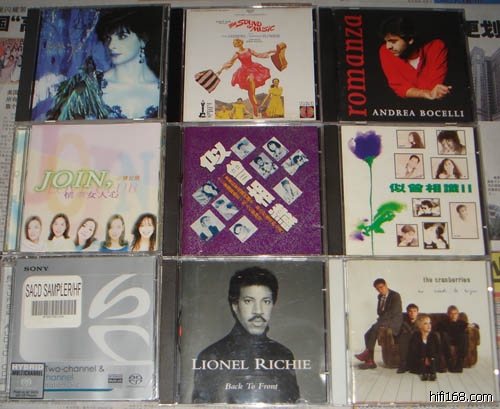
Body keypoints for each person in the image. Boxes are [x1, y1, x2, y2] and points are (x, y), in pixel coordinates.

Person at [192, 267, 300, 403]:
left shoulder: (283, 355)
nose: (258, 311)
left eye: (266, 301)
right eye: (249, 301)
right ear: (235, 305)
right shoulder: (210, 357)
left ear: (273, 304)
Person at [46, 7, 161, 120]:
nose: (111, 45)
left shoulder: (163, 89)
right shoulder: (87, 89)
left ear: (142, 40)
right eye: (107, 38)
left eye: (122, 36)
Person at [379, 16, 451, 100]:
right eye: (386, 41)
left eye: (393, 41)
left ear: (410, 40)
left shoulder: (436, 47)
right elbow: (399, 87)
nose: (388, 46)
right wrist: (426, 93)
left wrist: (430, 92)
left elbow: (435, 87)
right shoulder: (385, 51)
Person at [218, 38, 274, 117]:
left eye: (239, 42)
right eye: (236, 44)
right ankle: (254, 105)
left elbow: (259, 55)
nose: (238, 44)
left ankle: (254, 102)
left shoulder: (249, 50)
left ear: (241, 42)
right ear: (235, 45)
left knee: (251, 81)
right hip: (244, 71)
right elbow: (230, 63)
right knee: (250, 87)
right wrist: (221, 69)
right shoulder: (237, 54)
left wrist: (271, 51)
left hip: (253, 68)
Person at [355, 278, 403, 369]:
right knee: (367, 334)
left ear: (386, 285)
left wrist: (380, 321)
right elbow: (379, 312)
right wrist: (381, 308)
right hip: (384, 320)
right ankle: (370, 361)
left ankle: (368, 356)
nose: (380, 290)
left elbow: (393, 312)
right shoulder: (380, 297)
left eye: (381, 287)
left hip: (394, 322)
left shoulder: (395, 295)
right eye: (377, 289)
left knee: (374, 328)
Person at [435, 305, 471, 373]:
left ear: (458, 314)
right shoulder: (443, 323)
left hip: (458, 341)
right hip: (447, 341)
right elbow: (435, 330)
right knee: (444, 335)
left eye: (455, 313)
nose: (453, 316)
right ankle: (450, 363)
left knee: (464, 336)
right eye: (451, 313)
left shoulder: (461, 323)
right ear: (448, 314)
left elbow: (476, 326)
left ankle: (459, 363)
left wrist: (472, 325)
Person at [407, 314, 441, 381]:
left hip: (432, 360)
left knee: (432, 348)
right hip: (419, 360)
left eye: (430, 323)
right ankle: (424, 372)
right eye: (425, 323)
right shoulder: (415, 335)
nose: (429, 325)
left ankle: (432, 372)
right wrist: (424, 358)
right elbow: (413, 350)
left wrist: (430, 358)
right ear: (420, 326)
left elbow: (438, 350)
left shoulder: (434, 335)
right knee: (422, 347)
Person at [396, 303, 419, 373]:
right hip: (406, 339)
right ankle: (403, 364)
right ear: (407, 312)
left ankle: (414, 364)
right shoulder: (403, 322)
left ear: (417, 313)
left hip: (417, 339)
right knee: (403, 336)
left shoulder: (420, 321)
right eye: (410, 311)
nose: (412, 313)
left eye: (414, 311)